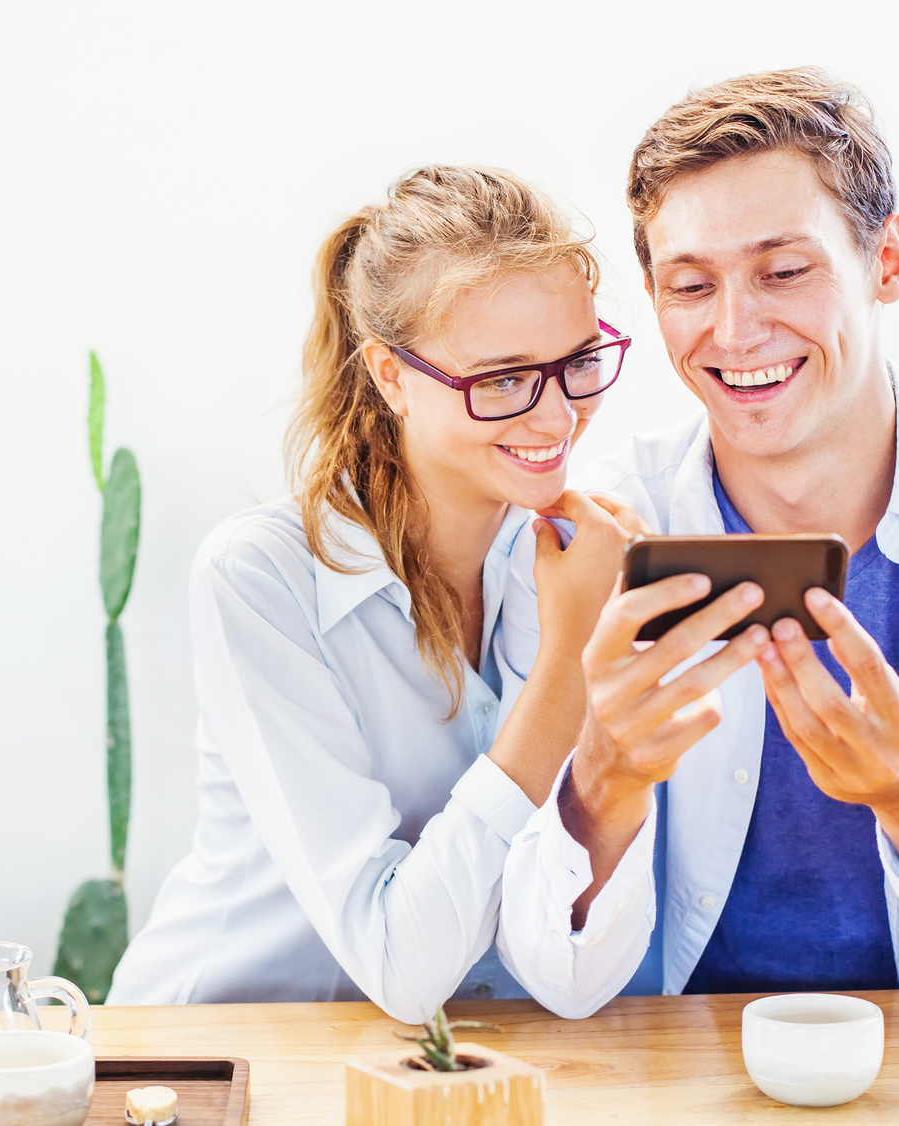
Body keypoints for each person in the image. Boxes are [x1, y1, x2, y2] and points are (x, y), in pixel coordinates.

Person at [494, 68, 899, 1019]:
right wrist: (604, 776)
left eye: (784, 270)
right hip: (672, 1075)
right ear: (654, 300)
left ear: (887, 260)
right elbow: (555, 982)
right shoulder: (592, 537)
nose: (735, 329)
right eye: (691, 285)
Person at [108, 166, 736, 1020]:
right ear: (392, 377)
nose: (557, 419)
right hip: (220, 1050)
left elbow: (567, 956)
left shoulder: (563, 557)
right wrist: (568, 664)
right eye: (503, 379)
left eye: (578, 363)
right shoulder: (261, 578)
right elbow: (401, 964)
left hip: (444, 1062)